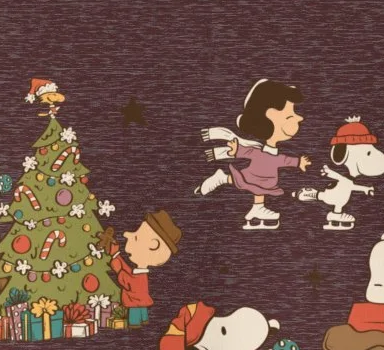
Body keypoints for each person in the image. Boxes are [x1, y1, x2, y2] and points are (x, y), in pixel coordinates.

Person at [197, 78, 310, 230]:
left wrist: (298, 162)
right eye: (290, 116)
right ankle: (222, 178)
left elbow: (283, 160)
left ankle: (256, 208)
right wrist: (236, 150)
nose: (300, 118)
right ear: (270, 117)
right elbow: (252, 153)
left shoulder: (271, 155)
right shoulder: (260, 153)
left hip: (264, 180)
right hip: (255, 175)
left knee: (258, 189)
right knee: (248, 183)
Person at [107, 209, 182, 327]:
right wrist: (116, 255)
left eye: (136, 237)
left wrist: (119, 271)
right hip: (141, 302)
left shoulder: (139, 276)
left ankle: (136, 325)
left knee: (135, 321)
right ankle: (144, 321)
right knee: (143, 316)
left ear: (153, 245)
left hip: (135, 304)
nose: (126, 234)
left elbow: (128, 281)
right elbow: (129, 271)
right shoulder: (139, 272)